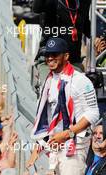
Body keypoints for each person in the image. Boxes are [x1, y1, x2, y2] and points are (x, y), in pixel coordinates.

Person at [30, 37, 100, 174]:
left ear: (66, 56)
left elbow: (93, 113)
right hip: (54, 146)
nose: (50, 58)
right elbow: (47, 118)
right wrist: (39, 145)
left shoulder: (81, 80)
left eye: (55, 54)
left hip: (74, 146)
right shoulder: (48, 81)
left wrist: (68, 133)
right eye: (47, 55)